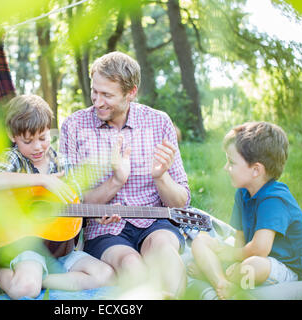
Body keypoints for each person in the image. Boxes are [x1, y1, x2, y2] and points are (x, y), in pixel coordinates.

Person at [59, 51, 190, 298]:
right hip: (105, 231)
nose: (97, 101)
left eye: (107, 95)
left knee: (163, 252)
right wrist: (116, 181)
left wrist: (162, 177)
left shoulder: (158, 122)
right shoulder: (74, 126)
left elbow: (181, 202)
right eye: (94, 91)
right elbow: (73, 201)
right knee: (131, 264)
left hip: (154, 222)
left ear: (131, 93)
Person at [0, 94, 114, 300]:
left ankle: (40, 279)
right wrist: (43, 180)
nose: (37, 147)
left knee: (105, 275)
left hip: (60, 250)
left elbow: (76, 203)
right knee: (24, 290)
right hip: (29, 249)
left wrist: (96, 216)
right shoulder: (14, 158)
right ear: (12, 135)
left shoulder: (61, 162)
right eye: (28, 140)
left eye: (43, 138)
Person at [190, 121, 302, 299]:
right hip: (249, 256)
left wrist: (231, 255)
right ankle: (222, 282)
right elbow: (240, 238)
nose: (226, 168)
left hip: (282, 267)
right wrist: (233, 257)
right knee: (200, 241)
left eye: (231, 162)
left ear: (256, 170)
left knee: (253, 266)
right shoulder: (243, 193)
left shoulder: (275, 199)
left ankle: (223, 279)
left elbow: (260, 249)